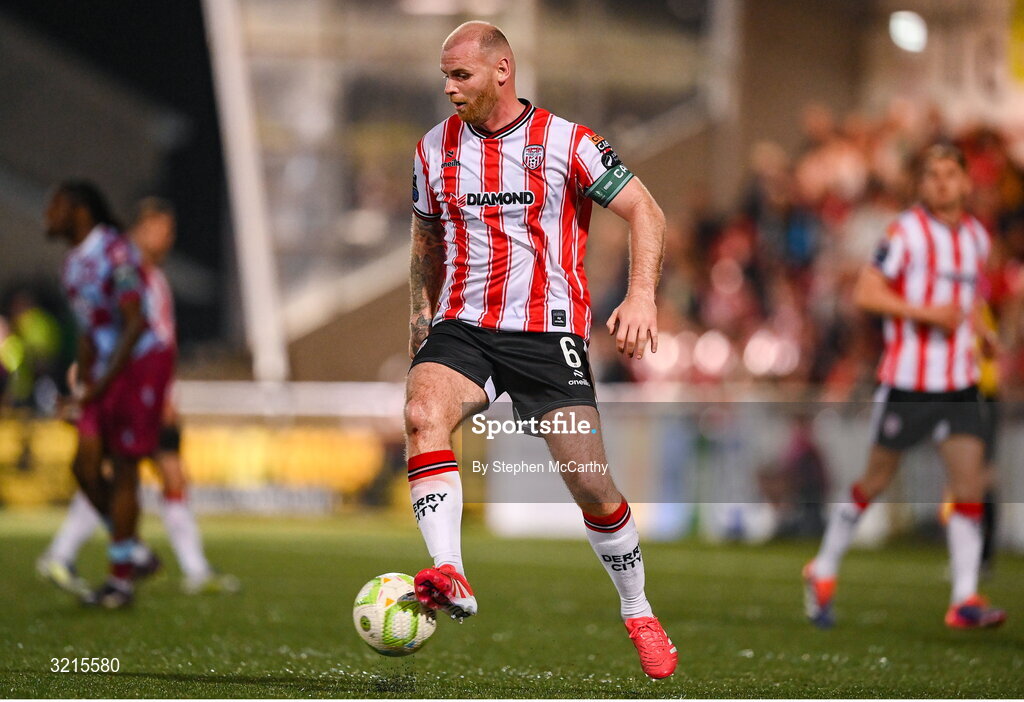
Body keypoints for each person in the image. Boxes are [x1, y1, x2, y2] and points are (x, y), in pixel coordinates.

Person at [404, 22, 676, 678]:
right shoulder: (432, 149)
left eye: (460, 75)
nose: (448, 88)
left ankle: (637, 607)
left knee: (588, 480)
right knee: (421, 414)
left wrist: (641, 296)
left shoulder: (568, 143)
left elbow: (647, 212)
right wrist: (420, 315)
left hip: (546, 333)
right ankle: (451, 572)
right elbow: (426, 239)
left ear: (503, 70)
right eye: (444, 75)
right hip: (464, 325)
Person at [802, 144, 1007, 630]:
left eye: (949, 174)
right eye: (931, 174)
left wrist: (982, 330)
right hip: (908, 382)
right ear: (921, 183)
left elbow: (968, 297)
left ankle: (963, 598)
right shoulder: (905, 232)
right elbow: (867, 291)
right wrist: (925, 313)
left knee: (969, 482)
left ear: (965, 182)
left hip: (959, 381)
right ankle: (824, 566)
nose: (941, 183)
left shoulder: (976, 237)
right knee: (875, 481)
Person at [38, 198, 238, 596]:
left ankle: (68, 554)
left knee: (153, 472)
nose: (168, 238)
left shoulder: (152, 278)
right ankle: (164, 567)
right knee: (137, 472)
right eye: (163, 229)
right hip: (128, 392)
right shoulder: (123, 274)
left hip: (147, 389)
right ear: (142, 229)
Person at [43, 180, 175, 609]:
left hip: (141, 365)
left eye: (56, 206)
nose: (49, 215)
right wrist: (81, 388)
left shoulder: (116, 250)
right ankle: (133, 550)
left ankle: (120, 580)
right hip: (105, 369)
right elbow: (89, 330)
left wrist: (98, 386)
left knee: (122, 468)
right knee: (83, 466)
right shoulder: (72, 264)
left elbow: (134, 323)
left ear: (79, 210)